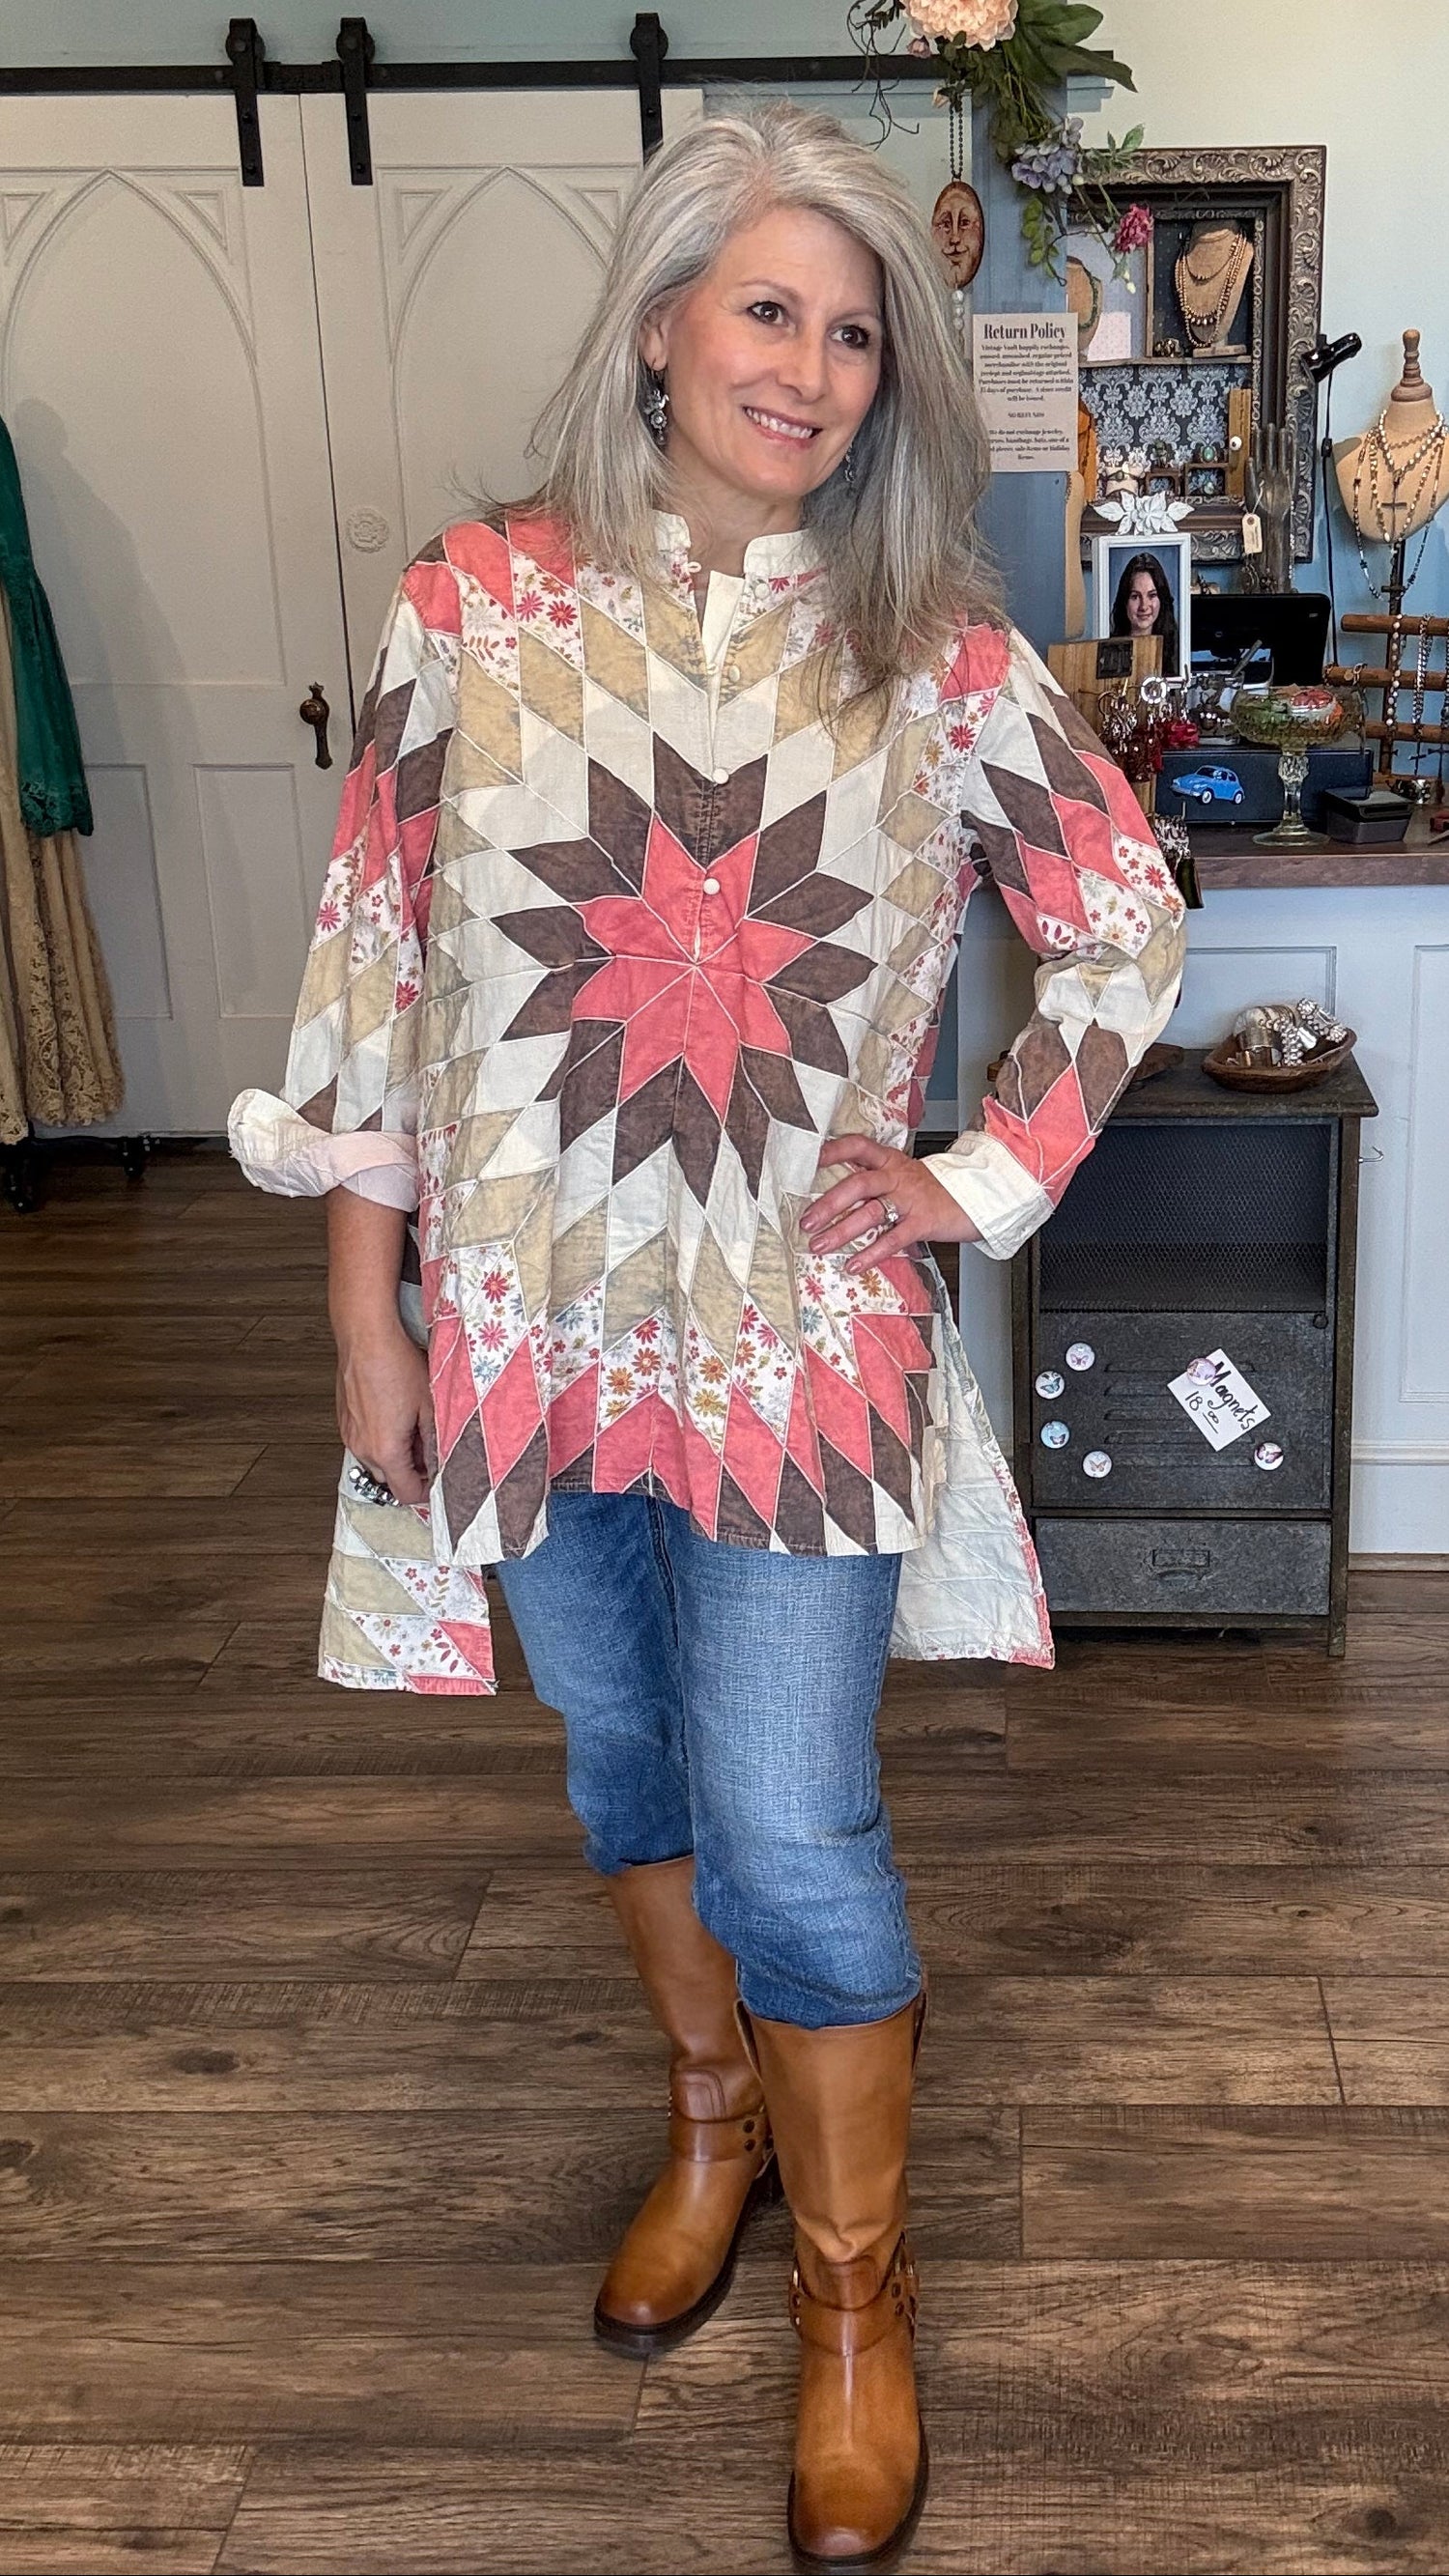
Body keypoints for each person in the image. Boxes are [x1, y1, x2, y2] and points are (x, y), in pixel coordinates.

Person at [231, 102, 1185, 2572]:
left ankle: (858, 2302)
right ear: (657, 323)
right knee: (617, 1767)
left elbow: (1120, 916)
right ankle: (709, 2118)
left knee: (799, 1825)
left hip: (795, 1351)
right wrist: (368, 1317)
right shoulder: (472, 605)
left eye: (857, 330)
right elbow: (367, 980)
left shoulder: (930, 645)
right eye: (770, 307)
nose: (818, 365)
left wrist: (976, 1177)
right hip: (528, 1333)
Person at [1111, 547, 1179, 673]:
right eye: (1135, 596)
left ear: (1162, 599)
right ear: (1124, 601)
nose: (1144, 606)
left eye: (1152, 595)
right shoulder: (1110, 654)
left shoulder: (1178, 651)